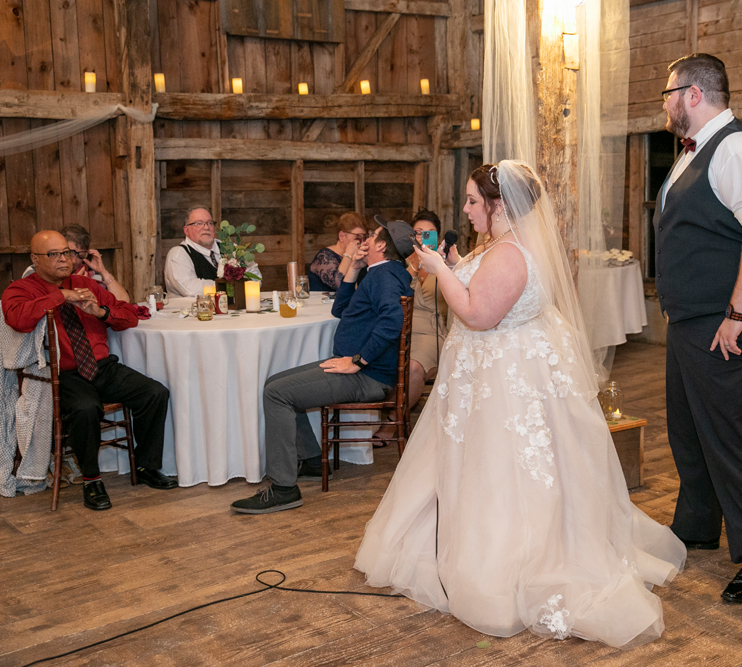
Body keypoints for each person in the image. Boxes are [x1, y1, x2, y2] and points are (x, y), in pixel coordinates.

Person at [354, 162, 686, 648]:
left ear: (499, 204)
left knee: (501, 469)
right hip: (488, 374)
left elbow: (478, 314)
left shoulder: (510, 253)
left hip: (503, 381)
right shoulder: (500, 244)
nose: (466, 209)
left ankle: (503, 568)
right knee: (474, 466)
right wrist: (456, 265)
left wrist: (441, 271)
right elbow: (483, 291)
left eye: (473, 201)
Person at [655, 54, 742, 604]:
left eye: (668, 94)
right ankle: (696, 526)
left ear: (693, 94)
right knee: (690, 431)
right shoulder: (693, 151)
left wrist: (737, 314)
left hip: (729, 322)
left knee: (735, 436)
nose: (665, 105)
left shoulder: (737, 147)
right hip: (693, 321)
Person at [230, 221, 415, 514]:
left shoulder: (385, 277)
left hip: (368, 376)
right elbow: (340, 310)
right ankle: (312, 461)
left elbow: (393, 321)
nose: (366, 239)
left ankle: (284, 488)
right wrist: (353, 269)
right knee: (274, 382)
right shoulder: (379, 273)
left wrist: (358, 361)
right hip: (364, 370)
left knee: (277, 394)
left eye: (372, 236)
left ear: (381, 246)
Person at [2, 230, 177, 511]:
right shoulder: (21, 289)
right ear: (35, 259)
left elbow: (129, 315)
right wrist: (61, 295)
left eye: (67, 253)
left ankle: (146, 466)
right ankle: (92, 480)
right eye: (54, 254)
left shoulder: (87, 285)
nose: (64, 259)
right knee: (85, 408)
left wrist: (101, 313)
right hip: (63, 374)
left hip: (101, 367)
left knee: (154, 393)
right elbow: (17, 318)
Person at [371, 209, 448, 446]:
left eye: (430, 233)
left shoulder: (446, 265)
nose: (424, 237)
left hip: (431, 333)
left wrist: (443, 264)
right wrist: (413, 265)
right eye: (418, 233)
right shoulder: (399, 262)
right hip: (399, 329)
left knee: (413, 367)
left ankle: (392, 423)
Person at [164, 206, 259, 298]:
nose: (206, 227)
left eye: (210, 223)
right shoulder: (178, 255)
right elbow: (190, 289)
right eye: (199, 223)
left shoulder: (229, 248)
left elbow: (255, 276)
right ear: (186, 230)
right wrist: (230, 287)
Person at [22, 224, 130, 303]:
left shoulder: (88, 272)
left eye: (80, 255)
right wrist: (73, 285)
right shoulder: (36, 271)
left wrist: (103, 272)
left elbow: (123, 302)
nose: (73, 260)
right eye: (69, 253)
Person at [308, 212, 368, 292]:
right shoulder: (325, 256)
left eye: (363, 237)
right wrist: (348, 254)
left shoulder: (359, 257)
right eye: (357, 237)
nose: (361, 242)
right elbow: (338, 285)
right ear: (341, 236)